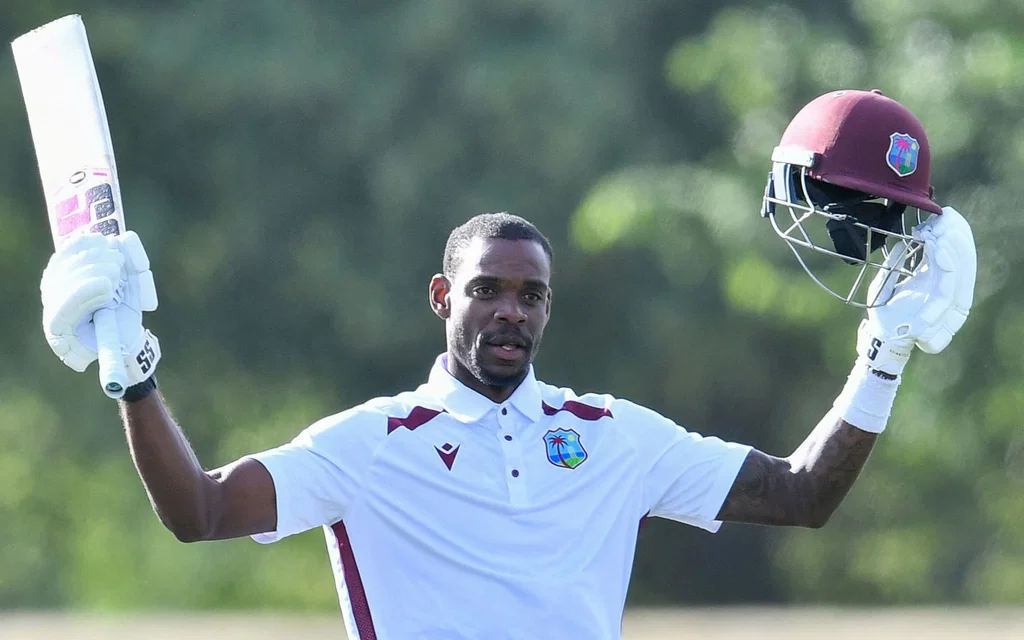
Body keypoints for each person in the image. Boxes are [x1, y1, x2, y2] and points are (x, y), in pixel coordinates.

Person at [39, 89, 976, 640]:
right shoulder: (371, 444)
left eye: (531, 296)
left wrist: (884, 354)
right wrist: (132, 374)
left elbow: (802, 494)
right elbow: (198, 512)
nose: (511, 312)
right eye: (489, 290)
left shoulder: (610, 435)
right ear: (445, 299)